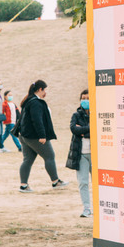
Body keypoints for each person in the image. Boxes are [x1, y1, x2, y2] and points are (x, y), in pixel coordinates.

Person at [16, 80, 67, 193]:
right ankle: (55, 182)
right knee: (50, 156)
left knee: (27, 160)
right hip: (34, 136)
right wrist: (42, 135)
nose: (45, 93)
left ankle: (23, 185)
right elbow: (37, 120)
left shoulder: (28, 100)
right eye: (44, 90)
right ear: (40, 89)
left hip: (24, 136)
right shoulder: (36, 102)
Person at [67, 90, 93, 218]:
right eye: (83, 98)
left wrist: (82, 131)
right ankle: (87, 208)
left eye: (88, 98)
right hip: (81, 154)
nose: (85, 100)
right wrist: (89, 128)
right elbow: (74, 129)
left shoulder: (98, 114)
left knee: (98, 183)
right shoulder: (76, 115)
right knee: (83, 182)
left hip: (95, 155)